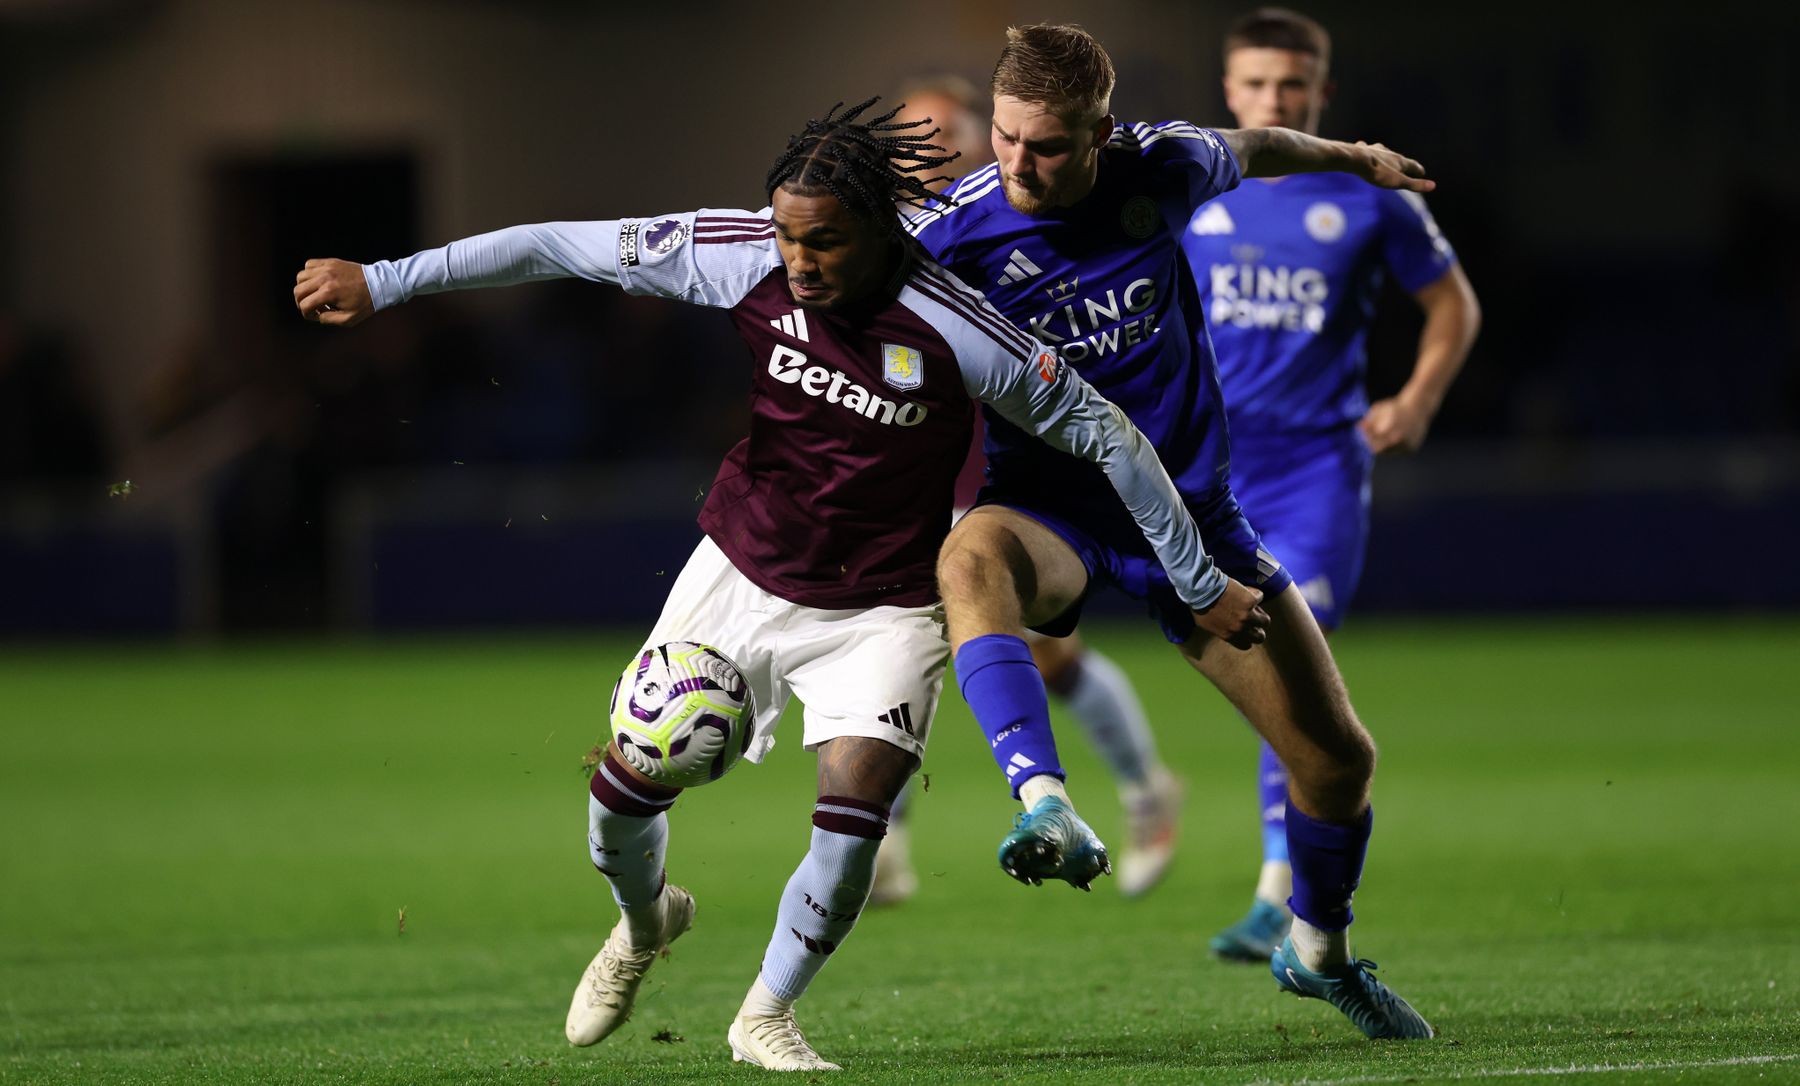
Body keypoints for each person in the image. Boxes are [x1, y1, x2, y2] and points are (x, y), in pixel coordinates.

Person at [293, 99, 1250, 1071]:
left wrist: (1194, 572)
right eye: (789, 235)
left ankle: (766, 1015)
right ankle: (644, 921)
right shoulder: (735, 252)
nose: (798, 260)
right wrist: (386, 279)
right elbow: (558, 245)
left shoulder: (956, 323)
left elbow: (1104, 433)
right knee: (627, 790)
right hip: (745, 568)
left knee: (855, 810)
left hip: (886, 599)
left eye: (824, 242)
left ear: (879, 231)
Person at [907, 23, 1437, 1038]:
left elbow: (1264, 145)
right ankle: (1045, 798)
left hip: (1196, 520)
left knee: (1336, 764)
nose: (1018, 163)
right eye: (1007, 138)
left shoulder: (1169, 164)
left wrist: (1355, 158)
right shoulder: (948, 233)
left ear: (1101, 133)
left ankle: (1318, 948)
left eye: (1048, 146)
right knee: (969, 557)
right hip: (1053, 511)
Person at [1186, 7, 1481, 964]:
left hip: (1316, 467)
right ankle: (1286, 886)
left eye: (1294, 86)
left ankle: (1281, 891)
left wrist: (1417, 398)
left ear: (1323, 94)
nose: (1277, 98)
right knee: (1260, 669)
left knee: (1288, 655)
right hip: (1206, 472)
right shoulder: (1191, 189)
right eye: (1260, 86)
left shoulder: (1369, 196)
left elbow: (1452, 304)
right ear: (1233, 94)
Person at [871, 76, 1189, 905]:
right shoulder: (901, 240)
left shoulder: (994, 228)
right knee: (899, 646)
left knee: (1046, 656)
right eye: (905, 142)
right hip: (914, 475)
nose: (919, 157)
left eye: (934, 138)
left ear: (979, 141)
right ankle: (884, 841)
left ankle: (1145, 787)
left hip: (1001, 472)